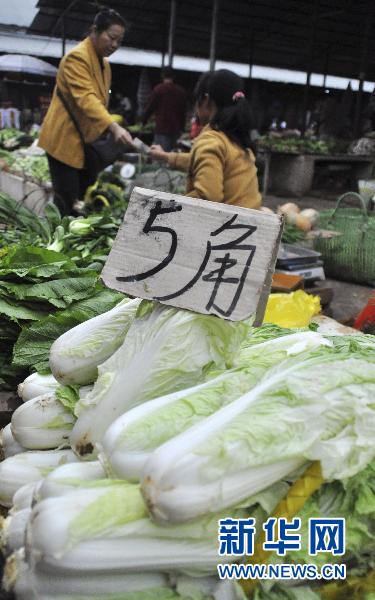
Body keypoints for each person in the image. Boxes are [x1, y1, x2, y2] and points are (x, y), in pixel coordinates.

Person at [39, 8, 132, 214]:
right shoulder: (76, 58)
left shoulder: (105, 65)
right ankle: (56, 241)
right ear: (94, 30)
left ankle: (64, 236)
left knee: (79, 198)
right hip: (63, 142)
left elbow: (99, 101)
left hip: (84, 143)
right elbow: (86, 99)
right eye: (112, 37)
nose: (115, 45)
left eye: (120, 41)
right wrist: (113, 127)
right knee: (67, 202)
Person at [149, 69, 261, 209]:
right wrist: (166, 156)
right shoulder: (236, 140)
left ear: (206, 100)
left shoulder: (210, 141)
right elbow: (204, 162)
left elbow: (207, 197)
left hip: (225, 227)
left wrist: (164, 207)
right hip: (250, 224)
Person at [142, 66, 187, 151]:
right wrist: (182, 128)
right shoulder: (181, 92)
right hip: (176, 130)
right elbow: (183, 112)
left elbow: (149, 107)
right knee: (172, 156)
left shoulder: (159, 89)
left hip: (162, 129)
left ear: (162, 76)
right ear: (174, 76)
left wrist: (144, 121)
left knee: (161, 156)